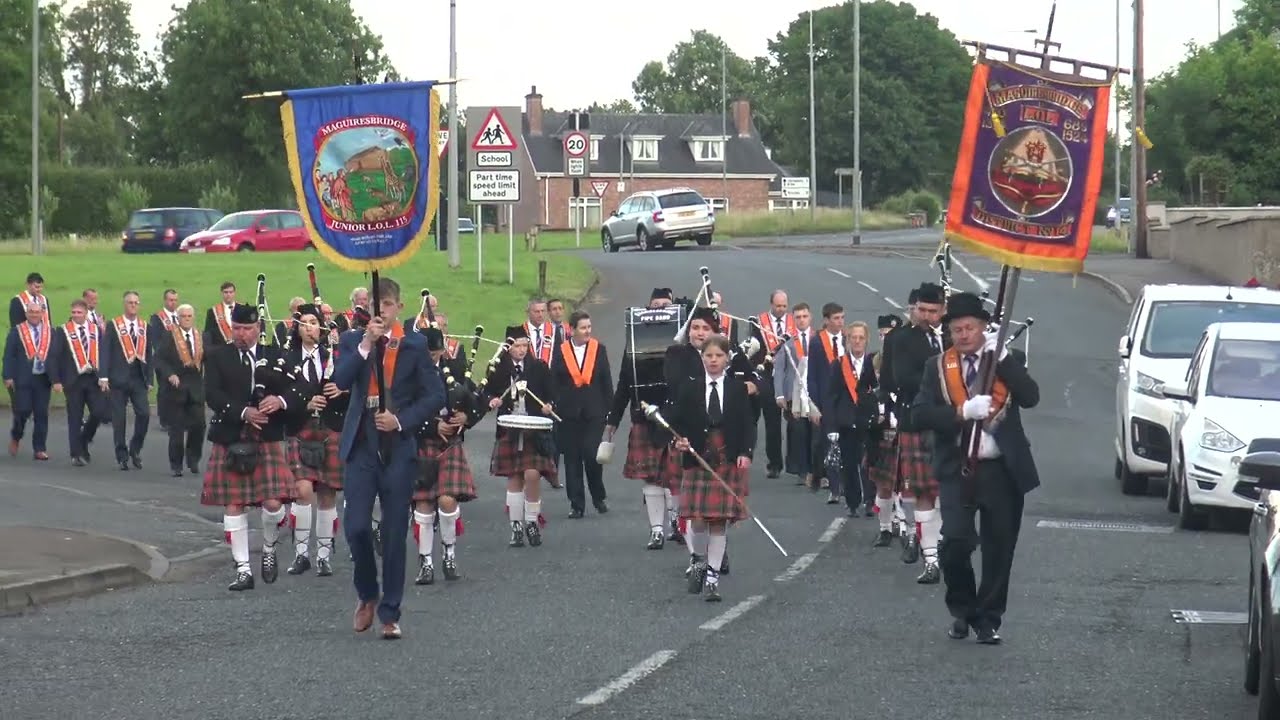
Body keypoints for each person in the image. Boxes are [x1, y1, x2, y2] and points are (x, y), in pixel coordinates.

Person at [911, 292, 1039, 644]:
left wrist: (1004, 361)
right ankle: (963, 610)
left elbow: (1030, 397)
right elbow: (918, 414)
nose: (963, 335)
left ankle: (988, 618)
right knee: (954, 543)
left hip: (1001, 470)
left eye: (969, 328)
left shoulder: (1007, 359)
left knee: (999, 550)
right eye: (956, 330)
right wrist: (960, 412)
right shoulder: (937, 366)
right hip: (958, 469)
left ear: (984, 329)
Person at [333, 277, 442, 640]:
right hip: (362, 444)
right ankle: (367, 593)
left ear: (399, 307)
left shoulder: (414, 345)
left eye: (388, 306)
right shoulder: (353, 341)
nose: (382, 312)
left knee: (394, 534)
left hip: (397, 448)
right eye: (375, 307)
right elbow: (340, 379)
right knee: (357, 527)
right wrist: (366, 343)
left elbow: (434, 396)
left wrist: (402, 420)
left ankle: (390, 612)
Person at [201, 303, 308, 592]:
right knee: (234, 504)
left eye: (247, 329)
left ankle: (270, 546)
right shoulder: (217, 357)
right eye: (237, 328)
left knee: (273, 505)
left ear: (258, 328)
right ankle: (243, 569)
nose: (241, 334)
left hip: (268, 438)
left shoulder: (273, 355)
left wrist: (280, 402)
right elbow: (212, 393)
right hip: (231, 436)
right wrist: (243, 412)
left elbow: (300, 388)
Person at [668, 335, 754, 601]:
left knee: (718, 522)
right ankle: (698, 559)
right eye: (708, 356)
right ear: (702, 358)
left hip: (726, 460)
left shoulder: (737, 388)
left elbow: (747, 425)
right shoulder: (689, 388)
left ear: (727, 359)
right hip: (697, 459)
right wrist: (678, 440)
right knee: (697, 520)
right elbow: (676, 422)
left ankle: (713, 578)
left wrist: (745, 453)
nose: (713, 360)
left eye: (718, 356)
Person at [607, 288, 680, 549]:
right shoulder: (634, 341)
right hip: (643, 417)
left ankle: (676, 524)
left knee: (674, 475)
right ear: (647, 308)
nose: (660, 308)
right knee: (651, 477)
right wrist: (613, 419)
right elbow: (625, 383)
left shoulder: (682, 337)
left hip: (675, 418)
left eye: (666, 304)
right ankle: (657, 530)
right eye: (656, 304)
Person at [887, 282, 948, 580]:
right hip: (918, 421)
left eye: (932, 311)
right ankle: (931, 560)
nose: (925, 316)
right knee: (923, 491)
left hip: (952, 423)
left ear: (943, 310)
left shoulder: (954, 336)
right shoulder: (902, 339)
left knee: (948, 492)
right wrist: (946, 377)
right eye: (921, 310)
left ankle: (940, 542)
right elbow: (905, 380)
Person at [411, 326, 479, 584]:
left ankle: (449, 553)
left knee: (448, 501)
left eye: (433, 351)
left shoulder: (456, 370)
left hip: (451, 443)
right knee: (424, 504)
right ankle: (425, 561)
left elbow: (477, 401)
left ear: (441, 350)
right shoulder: (409, 375)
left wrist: (466, 418)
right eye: (425, 352)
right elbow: (403, 410)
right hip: (422, 443)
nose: (430, 356)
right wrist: (431, 424)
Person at [285, 304, 348, 578]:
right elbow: (280, 392)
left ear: (321, 327)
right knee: (302, 491)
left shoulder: (333, 355)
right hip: (300, 427)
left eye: (313, 322)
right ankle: (301, 554)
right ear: (297, 329)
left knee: (327, 493)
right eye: (304, 323)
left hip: (329, 428)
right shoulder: (287, 359)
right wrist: (304, 402)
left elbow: (353, 386)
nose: (309, 327)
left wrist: (341, 388)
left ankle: (323, 555)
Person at [486, 325, 558, 547]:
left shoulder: (538, 367)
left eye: (525, 345)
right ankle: (516, 526)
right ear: (508, 347)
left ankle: (532, 521)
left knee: (532, 474)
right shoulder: (498, 368)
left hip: (533, 429)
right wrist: (492, 400)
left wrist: (549, 405)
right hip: (509, 428)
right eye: (517, 346)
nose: (522, 350)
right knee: (514, 477)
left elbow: (552, 393)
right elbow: (486, 391)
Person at [550, 310, 613, 518]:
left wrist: (610, 413)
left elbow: (606, 381)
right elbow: (554, 381)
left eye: (589, 327)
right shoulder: (560, 351)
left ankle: (598, 496)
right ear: (572, 329)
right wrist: (555, 403)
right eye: (583, 327)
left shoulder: (599, 349)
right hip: (568, 414)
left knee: (591, 454)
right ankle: (576, 504)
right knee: (572, 459)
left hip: (594, 412)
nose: (587, 331)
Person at [822, 321, 878, 518]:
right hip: (846, 423)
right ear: (847, 340)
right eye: (853, 337)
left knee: (870, 464)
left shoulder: (874, 363)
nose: (857, 341)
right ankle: (853, 503)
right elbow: (830, 397)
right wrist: (831, 425)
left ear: (867, 340)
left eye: (861, 337)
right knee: (850, 464)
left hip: (869, 423)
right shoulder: (838, 365)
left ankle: (871, 501)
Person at [47, 299, 108, 466]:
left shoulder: (96, 330)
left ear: (86, 313)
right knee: (75, 416)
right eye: (73, 312)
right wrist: (56, 380)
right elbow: (53, 356)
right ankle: (76, 454)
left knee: (99, 412)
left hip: (93, 378)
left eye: (79, 312)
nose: (76, 315)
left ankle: (84, 439)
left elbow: (103, 354)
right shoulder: (63, 331)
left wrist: (104, 376)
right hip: (73, 380)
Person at [152, 303, 206, 477]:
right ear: (178, 318)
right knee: (176, 430)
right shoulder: (169, 337)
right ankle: (176, 464)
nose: (187, 319)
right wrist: (170, 374)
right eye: (184, 316)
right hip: (176, 389)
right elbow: (158, 360)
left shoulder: (200, 336)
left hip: (196, 388)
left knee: (199, 425)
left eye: (190, 316)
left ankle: (193, 459)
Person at [102, 291, 152, 471]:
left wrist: (150, 379)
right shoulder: (114, 325)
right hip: (118, 378)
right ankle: (121, 454)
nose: (133, 305)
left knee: (145, 414)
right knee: (119, 419)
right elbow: (105, 351)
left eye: (136, 303)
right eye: (130, 302)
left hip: (138, 378)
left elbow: (148, 354)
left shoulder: (144, 326)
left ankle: (135, 448)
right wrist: (103, 376)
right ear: (124, 304)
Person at [750, 290, 794, 479]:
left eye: (784, 306)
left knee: (793, 421)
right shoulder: (758, 322)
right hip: (766, 375)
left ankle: (796, 463)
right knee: (771, 420)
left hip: (787, 376)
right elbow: (754, 348)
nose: (781, 310)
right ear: (771, 304)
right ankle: (774, 463)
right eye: (778, 306)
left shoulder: (793, 323)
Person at [3, 301, 53, 459]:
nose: (34, 314)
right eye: (31, 312)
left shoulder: (50, 332)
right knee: (22, 411)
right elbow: (9, 355)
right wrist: (8, 376)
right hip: (23, 378)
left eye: (37, 312)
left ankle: (39, 448)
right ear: (26, 314)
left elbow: (56, 356)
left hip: (43, 379)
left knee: (41, 414)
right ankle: (16, 436)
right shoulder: (16, 331)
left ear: (42, 314)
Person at [807, 302, 846, 500]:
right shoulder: (816, 342)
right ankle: (825, 479)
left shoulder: (848, 340)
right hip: (824, 399)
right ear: (826, 320)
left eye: (842, 318)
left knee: (846, 441)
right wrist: (813, 404)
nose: (840, 322)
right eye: (836, 318)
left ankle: (842, 482)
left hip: (846, 399)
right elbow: (812, 375)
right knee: (825, 441)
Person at [773, 302, 814, 487]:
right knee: (798, 433)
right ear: (793, 319)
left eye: (805, 316)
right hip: (794, 397)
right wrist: (779, 394)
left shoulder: (819, 340)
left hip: (814, 396)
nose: (802, 320)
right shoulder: (788, 344)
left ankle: (816, 470)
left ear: (810, 317)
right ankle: (801, 470)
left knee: (815, 435)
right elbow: (779, 369)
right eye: (798, 317)